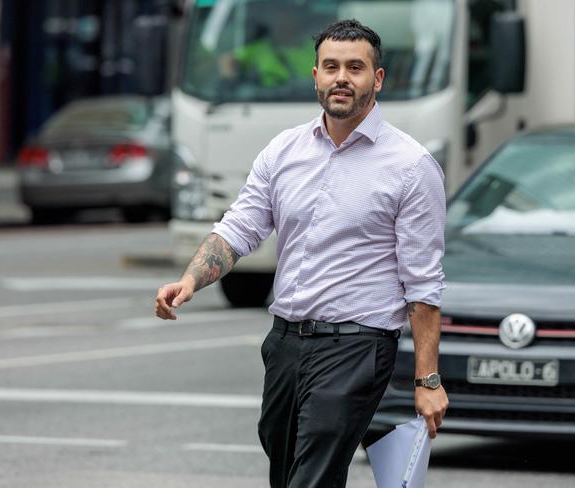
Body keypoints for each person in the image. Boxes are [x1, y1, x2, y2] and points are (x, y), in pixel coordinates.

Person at [156, 19, 449, 488]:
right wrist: (191, 279)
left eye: (355, 68)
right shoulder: (284, 150)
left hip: (357, 346)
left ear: (377, 80)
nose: (341, 78)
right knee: (287, 469)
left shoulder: (411, 167)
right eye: (331, 66)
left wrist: (427, 380)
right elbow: (241, 226)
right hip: (286, 343)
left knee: (310, 478)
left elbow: (423, 283)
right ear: (315, 76)